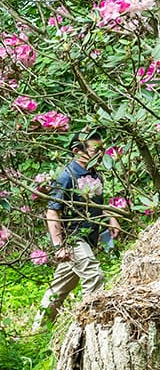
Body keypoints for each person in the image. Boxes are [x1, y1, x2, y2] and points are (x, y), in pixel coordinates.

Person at [32, 128, 121, 332]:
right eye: (95, 150)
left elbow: (99, 203)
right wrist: (59, 246)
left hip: (88, 238)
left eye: (102, 149)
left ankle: (37, 331)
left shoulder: (95, 175)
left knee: (59, 288)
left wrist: (112, 218)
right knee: (93, 275)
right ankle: (89, 326)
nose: (100, 154)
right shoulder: (66, 177)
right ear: (76, 150)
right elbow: (52, 213)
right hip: (73, 239)